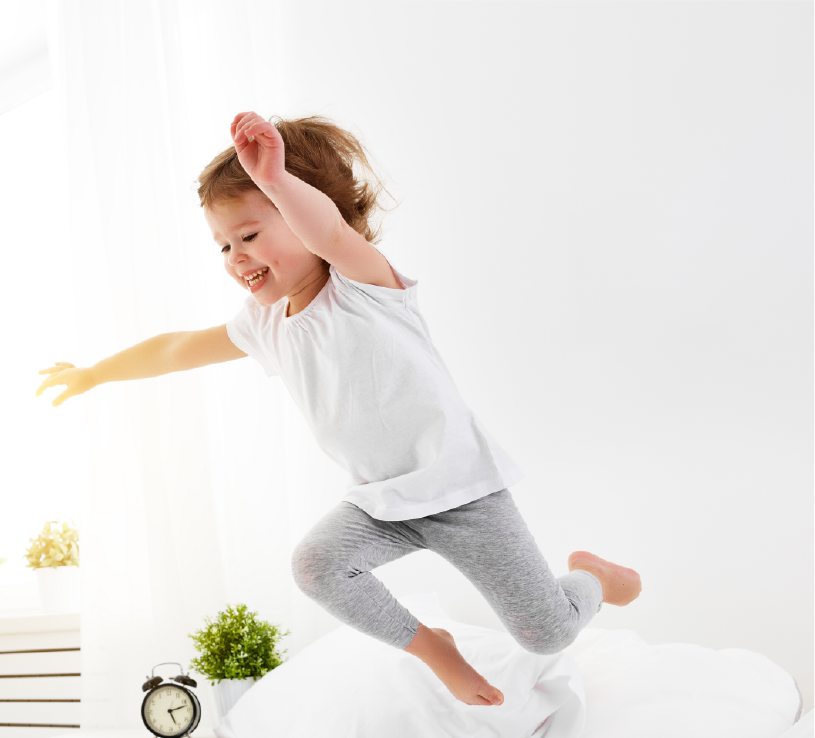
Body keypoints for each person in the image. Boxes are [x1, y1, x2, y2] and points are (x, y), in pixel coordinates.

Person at [36, 111, 640, 706]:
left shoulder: (364, 285)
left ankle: (594, 578)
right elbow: (176, 349)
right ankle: (434, 648)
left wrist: (273, 177)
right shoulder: (266, 324)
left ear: (306, 205)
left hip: (462, 493)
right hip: (382, 501)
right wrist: (95, 373)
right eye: (223, 245)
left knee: (546, 633)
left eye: (249, 234)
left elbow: (326, 235)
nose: (234, 256)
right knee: (315, 567)